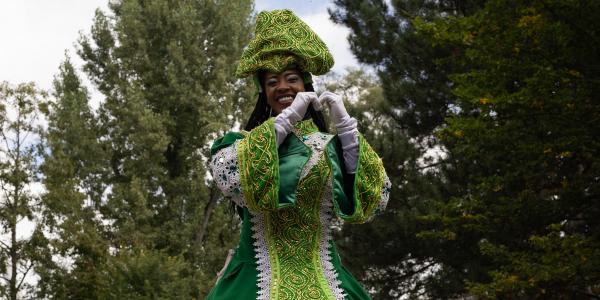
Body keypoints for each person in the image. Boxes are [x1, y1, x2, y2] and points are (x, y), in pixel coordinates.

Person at [207, 9, 390, 300]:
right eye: (271, 82)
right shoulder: (241, 147)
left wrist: (346, 131)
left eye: (291, 78)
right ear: (262, 92)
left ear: (306, 84)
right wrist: (286, 120)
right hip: (254, 284)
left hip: (327, 283)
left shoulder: (330, 147)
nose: (282, 87)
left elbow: (370, 202)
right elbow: (237, 181)